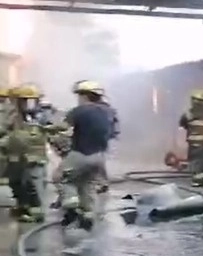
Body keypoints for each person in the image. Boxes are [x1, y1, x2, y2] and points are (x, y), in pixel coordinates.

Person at [54, 80, 111, 232]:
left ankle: (72, 208)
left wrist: (50, 128)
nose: (78, 98)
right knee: (87, 185)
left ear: (85, 96)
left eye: (80, 95)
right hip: (99, 157)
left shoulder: (79, 110)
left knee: (61, 177)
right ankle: (88, 217)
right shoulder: (107, 111)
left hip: (81, 153)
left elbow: (63, 127)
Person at [0, 85, 50, 223]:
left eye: (31, 100)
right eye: (24, 100)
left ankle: (37, 212)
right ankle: (23, 206)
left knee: (33, 184)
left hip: (34, 156)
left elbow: (52, 131)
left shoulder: (43, 115)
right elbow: (4, 129)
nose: (28, 103)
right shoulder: (13, 115)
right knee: (16, 182)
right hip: (16, 156)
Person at [179, 90, 203, 187]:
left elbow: (182, 123)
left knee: (195, 160)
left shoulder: (191, 112)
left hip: (195, 140)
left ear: (194, 100)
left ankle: (197, 180)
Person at [93, 90, 119, 194]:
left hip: (98, 138)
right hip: (103, 138)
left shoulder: (99, 110)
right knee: (99, 159)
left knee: (97, 160)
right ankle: (101, 182)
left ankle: (102, 183)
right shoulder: (108, 109)